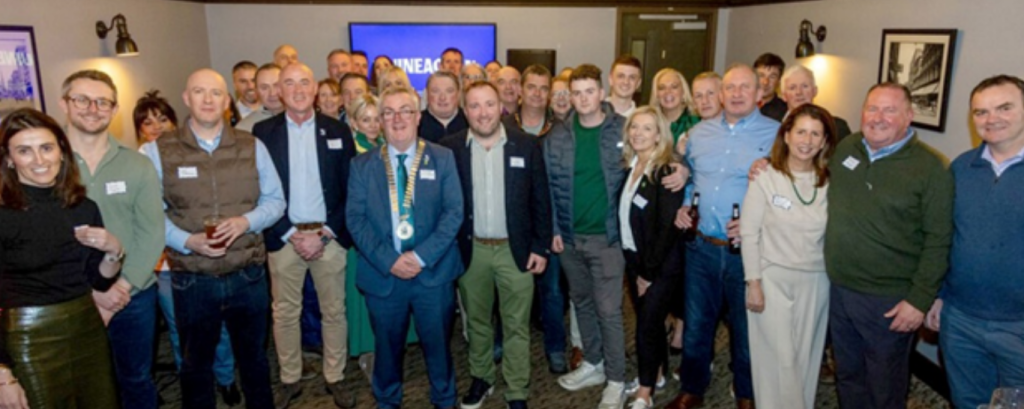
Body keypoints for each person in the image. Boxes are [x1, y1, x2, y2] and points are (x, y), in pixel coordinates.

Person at [140, 68, 286, 409]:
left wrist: (245, 222)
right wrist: (185, 240)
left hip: (247, 274)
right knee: (195, 366)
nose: (208, 99)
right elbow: (150, 214)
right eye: (199, 92)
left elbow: (276, 201)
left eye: (216, 93)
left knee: (255, 361)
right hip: (193, 278)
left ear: (226, 101)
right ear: (186, 98)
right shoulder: (157, 151)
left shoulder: (252, 145)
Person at [824, 83, 952, 409]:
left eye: (889, 110)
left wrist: (919, 300)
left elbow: (939, 240)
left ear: (908, 117)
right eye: (872, 108)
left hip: (889, 301)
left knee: (885, 386)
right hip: (839, 290)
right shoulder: (847, 147)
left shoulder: (931, 168)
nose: (878, 117)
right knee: (848, 375)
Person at [667, 64, 778, 409]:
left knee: (747, 328)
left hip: (747, 252)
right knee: (697, 322)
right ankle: (692, 389)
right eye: (730, 88)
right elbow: (691, 178)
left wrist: (757, 222)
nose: (737, 94)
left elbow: (787, 191)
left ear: (759, 94)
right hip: (701, 246)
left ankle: (747, 393)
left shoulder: (777, 134)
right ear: (721, 94)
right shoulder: (699, 133)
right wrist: (684, 205)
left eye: (745, 87)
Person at [345, 86, 463, 409]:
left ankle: (444, 400)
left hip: (433, 274)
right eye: (389, 112)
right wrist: (390, 260)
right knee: (386, 351)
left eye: (405, 111)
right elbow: (355, 219)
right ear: (381, 119)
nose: (397, 119)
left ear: (418, 116)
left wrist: (421, 257)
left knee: (439, 349)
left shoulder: (442, 158)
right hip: (384, 276)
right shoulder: (362, 165)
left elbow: (454, 213)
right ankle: (387, 401)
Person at [0, 108, 124, 408]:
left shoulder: (82, 207)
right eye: (24, 151)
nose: (39, 160)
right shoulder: (4, 215)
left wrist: (113, 251)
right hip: (30, 337)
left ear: (62, 151)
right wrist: (2, 374)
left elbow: (97, 280)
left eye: (46, 148)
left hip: (87, 327)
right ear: (9, 159)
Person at [440, 81, 552, 409]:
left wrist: (541, 246)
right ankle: (482, 377)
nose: (483, 112)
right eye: (474, 106)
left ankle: (517, 389)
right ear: (465, 110)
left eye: (489, 104)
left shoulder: (526, 145)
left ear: (500, 106)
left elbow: (541, 199)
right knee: (476, 322)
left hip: (515, 251)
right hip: (471, 251)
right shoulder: (449, 149)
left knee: (516, 324)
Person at [59, 69, 165, 409]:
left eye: (102, 102)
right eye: (82, 100)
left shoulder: (137, 165)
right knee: (79, 387)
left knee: (136, 380)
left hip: (133, 295)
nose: (93, 108)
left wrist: (120, 288)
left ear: (115, 109)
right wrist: (93, 292)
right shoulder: (46, 165)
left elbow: (152, 232)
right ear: (64, 104)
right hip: (70, 297)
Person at [253, 63, 356, 409]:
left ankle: (335, 376)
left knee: (334, 311)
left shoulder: (338, 130)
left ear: (315, 89)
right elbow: (257, 190)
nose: (297, 90)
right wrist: (288, 232)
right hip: (284, 237)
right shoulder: (262, 132)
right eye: (289, 83)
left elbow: (350, 189)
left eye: (304, 83)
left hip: (328, 236)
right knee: (284, 313)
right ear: (279, 91)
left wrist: (325, 233)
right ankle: (290, 378)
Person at [135, 90, 243, 407]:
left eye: (162, 119)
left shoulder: (198, 153)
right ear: (139, 129)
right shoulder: (139, 161)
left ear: (175, 121)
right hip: (166, 265)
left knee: (218, 326)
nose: (156, 126)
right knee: (181, 330)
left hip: (207, 258)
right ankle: (193, 385)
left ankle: (225, 377)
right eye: (147, 122)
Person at [925, 75, 1024, 409]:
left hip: (1019, 326)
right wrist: (939, 295)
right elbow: (946, 236)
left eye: (1004, 108)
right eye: (981, 112)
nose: (991, 118)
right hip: (961, 320)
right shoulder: (960, 168)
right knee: (967, 402)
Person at [742, 104, 837, 409]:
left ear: (824, 141)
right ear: (786, 135)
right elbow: (749, 233)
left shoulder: (832, 182)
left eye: (815, 134)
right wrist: (753, 282)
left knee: (804, 358)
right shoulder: (765, 176)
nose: (807, 140)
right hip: (770, 280)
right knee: (776, 359)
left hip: (816, 282)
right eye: (801, 132)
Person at [545, 64, 629, 409]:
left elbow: (655, 156)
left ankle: (617, 379)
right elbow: (549, 187)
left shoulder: (622, 129)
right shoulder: (557, 135)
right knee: (582, 303)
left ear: (602, 93)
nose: (582, 99)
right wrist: (554, 228)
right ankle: (594, 363)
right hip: (569, 238)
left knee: (609, 311)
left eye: (589, 92)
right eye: (576, 93)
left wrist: (680, 164)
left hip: (607, 239)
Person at [344, 93, 418, 383]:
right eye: (366, 120)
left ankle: (391, 353)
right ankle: (370, 355)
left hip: (396, 240)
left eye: (378, 118)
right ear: (354, 122)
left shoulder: (391, 148)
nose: (373, 125)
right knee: (369, 304)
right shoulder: (355, 154)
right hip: (369, 243)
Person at [618, 107, 686, 409]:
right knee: (653, 323)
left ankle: (644, 393)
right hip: (635, 259)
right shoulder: (631, 167)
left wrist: (647, 273)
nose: (638, 133)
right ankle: (656, 374)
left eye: (647, 128)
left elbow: (666, 229)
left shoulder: (665, 172)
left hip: (660, 266)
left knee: (646, 326)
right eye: (634, 127)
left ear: (659, 135)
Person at [779, 65, 852, 139]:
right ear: (783, 95)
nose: (799, 92)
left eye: (805, 86)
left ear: (815, 91)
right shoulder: (774, 125)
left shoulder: (836, 127)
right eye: (792, 88)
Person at [650, 68, 700, 144]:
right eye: (662, 88)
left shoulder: (696, 123)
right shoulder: (649, 123)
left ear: (683, 92)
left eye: (674, 87)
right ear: (656, 95)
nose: (668, 92)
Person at [419, 71, 468, 143]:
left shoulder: (470, 121)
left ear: (459, 94)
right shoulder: (415, 124)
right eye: (435, 91)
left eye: (449, 91)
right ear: (427, 94)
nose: (442, 97)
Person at [236, 63, 284, 133]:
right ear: (256, 91)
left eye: (276, 85)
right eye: (264, 88)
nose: (272, 93)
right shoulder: (244, 129)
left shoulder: (300, 118)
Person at [753, 53, 787, 122]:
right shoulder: (742, 104)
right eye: (761, 75)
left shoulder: (785, 111)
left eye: (772, 77)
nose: (765, 82)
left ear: (779, 81)